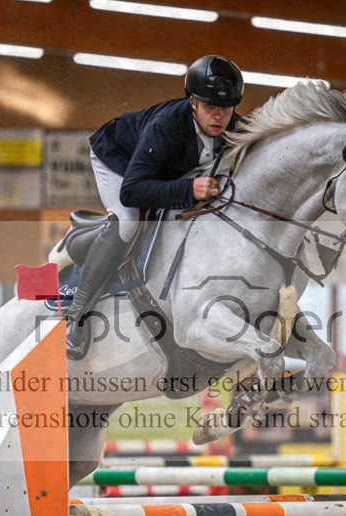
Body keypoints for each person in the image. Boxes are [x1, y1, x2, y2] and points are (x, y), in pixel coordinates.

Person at [65, 54, 246, 360]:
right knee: (128, 220)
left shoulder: (236, 128)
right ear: (192, 103)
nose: (218, 116)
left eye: (225, 108)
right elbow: (133, 191)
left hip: (162, 169)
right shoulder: (167, 126)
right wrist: (188, 189)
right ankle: (76, 316)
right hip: (118, 157)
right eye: (209, 107)